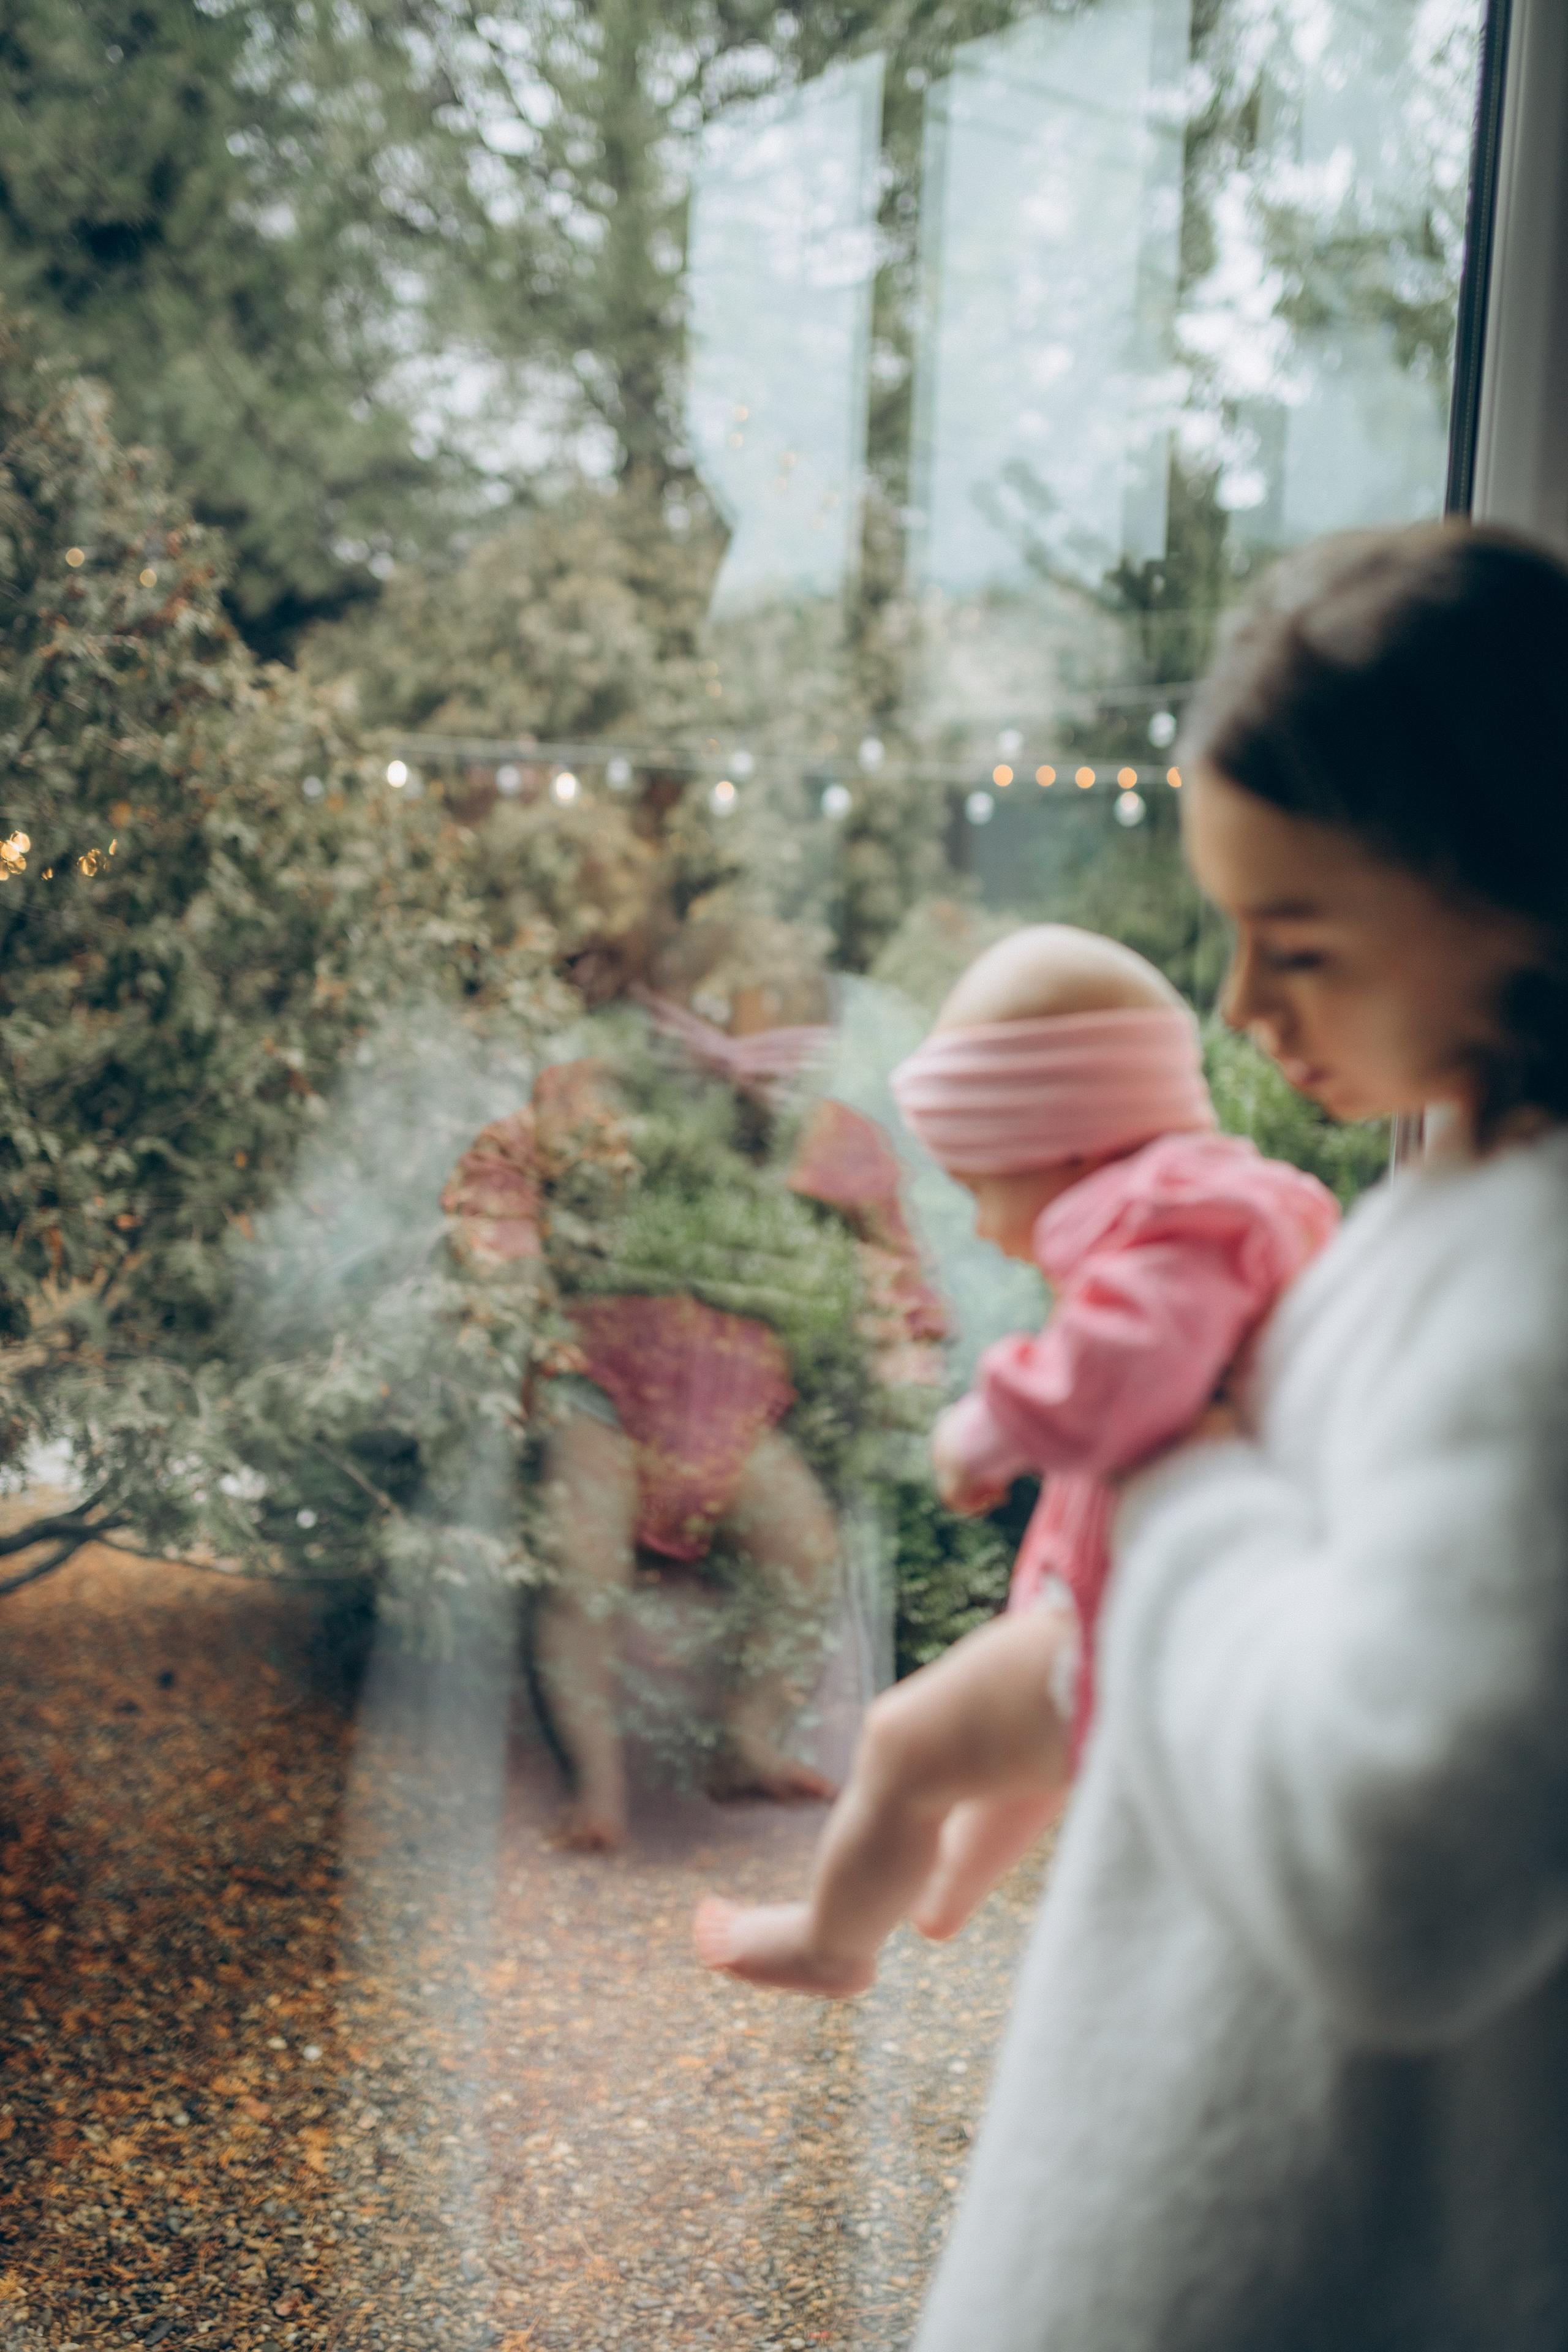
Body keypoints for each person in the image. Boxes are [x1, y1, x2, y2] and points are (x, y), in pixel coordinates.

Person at [913, 521, 1568, 2352]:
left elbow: (1402, 1866)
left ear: (1524, 890)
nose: (1242, 1012)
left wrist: (1176, 1480)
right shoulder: (1467, 1207)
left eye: (1297, 942)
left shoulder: (1539, 1293)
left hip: (1285, 2258)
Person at [693, 925, 1336, 1994]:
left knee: (904, 1742)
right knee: (1013, 1761)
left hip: (1125, 1625)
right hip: (1121, 1603)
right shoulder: (1211, 1208)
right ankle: (939, 1893)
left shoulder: (1167, 1228)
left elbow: (1122, 1370)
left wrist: (985, 1428)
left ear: (1072, 1147)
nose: (988, 1231)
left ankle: (833, 1941)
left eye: (986, 1187)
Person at [443, 810, 946, 1852]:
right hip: (599, 1388)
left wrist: (904, 1353)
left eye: (769, 1061)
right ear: (666, 1027)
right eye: (715, 1046)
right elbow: (501, 1167)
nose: (737, 1087)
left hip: (740, 1410)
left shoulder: (831, 1141)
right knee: (578, 1564)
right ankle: (597, 1783)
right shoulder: (602, 1098)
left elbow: (890, 1252)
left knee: (807, 1552)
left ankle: (746, 1736)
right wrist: (512, 1279)